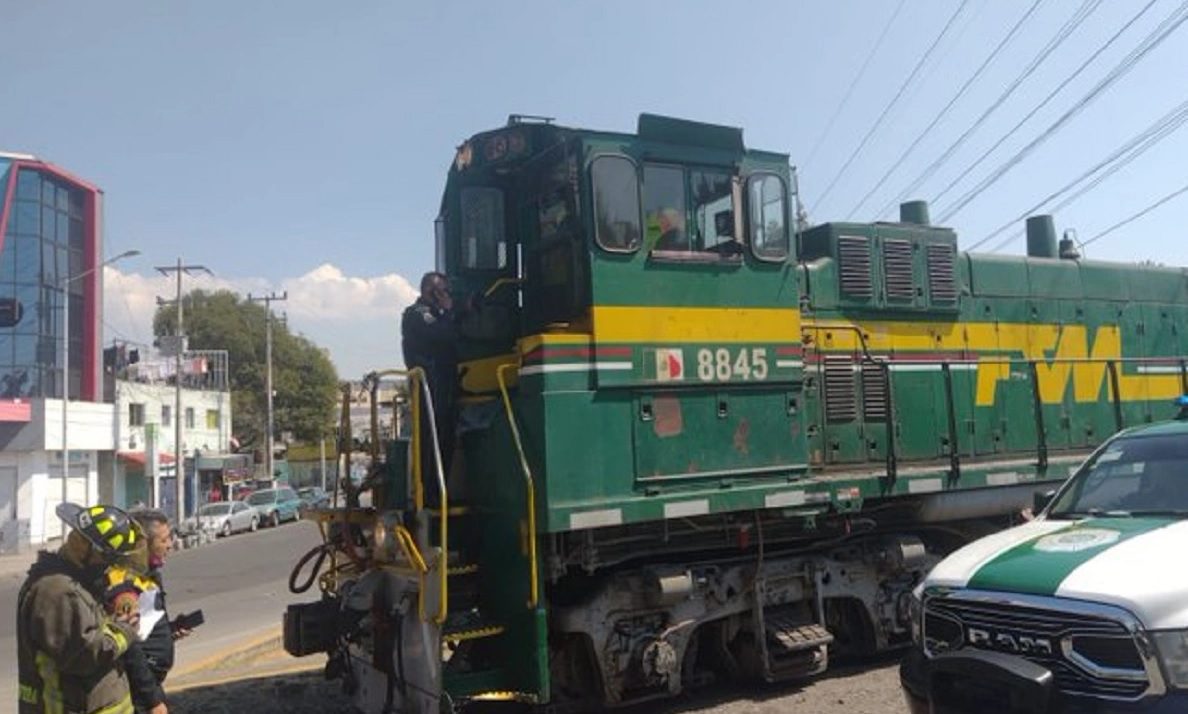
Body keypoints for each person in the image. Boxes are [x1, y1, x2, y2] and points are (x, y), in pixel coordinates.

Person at [17, 503, 143, 714]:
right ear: (84, 547)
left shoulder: (76, 581)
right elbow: (84, 655)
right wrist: (124, 630)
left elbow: (87, 626)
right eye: (107, 558)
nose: (108, 566)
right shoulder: (57, 591)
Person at [401, 272, 464, 501]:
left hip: (444, 388)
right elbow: (444, 336)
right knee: (432, 441)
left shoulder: (437, 315)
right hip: (430, 389)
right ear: (432, 291)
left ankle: (440, 491)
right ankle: (430, 495)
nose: (447, 295)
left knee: (446, 440)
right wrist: (449, 311)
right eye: (443, 291)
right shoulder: (416, 315)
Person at [123, 509, 189, 714]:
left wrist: (170, 633)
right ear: (143, 544)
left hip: (152, 684)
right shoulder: (126, 586)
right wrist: (152, 699)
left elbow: (145, 627)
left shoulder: (150, 577)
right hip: (140, 692)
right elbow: (128, 646)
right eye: (164, 540)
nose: (170, 545)